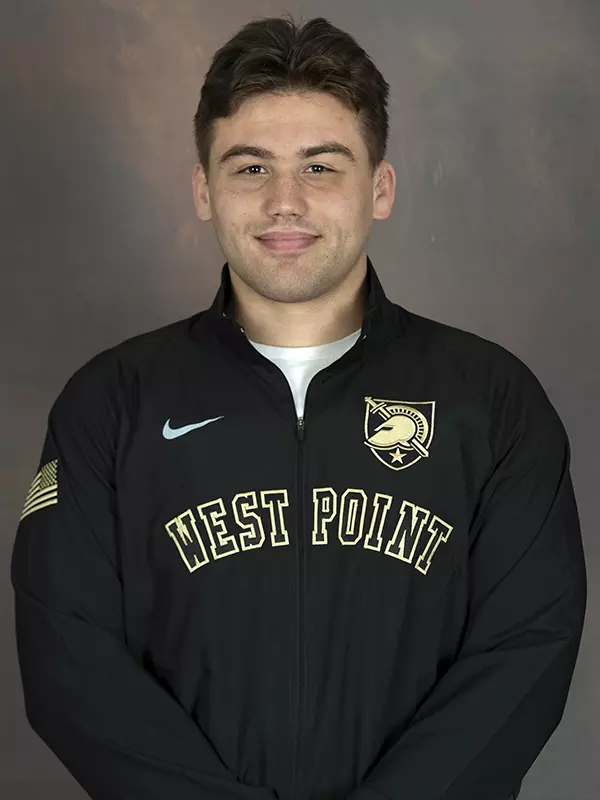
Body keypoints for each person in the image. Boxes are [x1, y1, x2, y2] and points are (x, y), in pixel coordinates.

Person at [11, 13, 586, 800]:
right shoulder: (111, 405)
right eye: (250, 168)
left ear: (379, 188)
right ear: (203, 189)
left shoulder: (492, 402)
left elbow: (525, 651)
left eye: (322, 168)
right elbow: (66, 662)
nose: (286, 202)